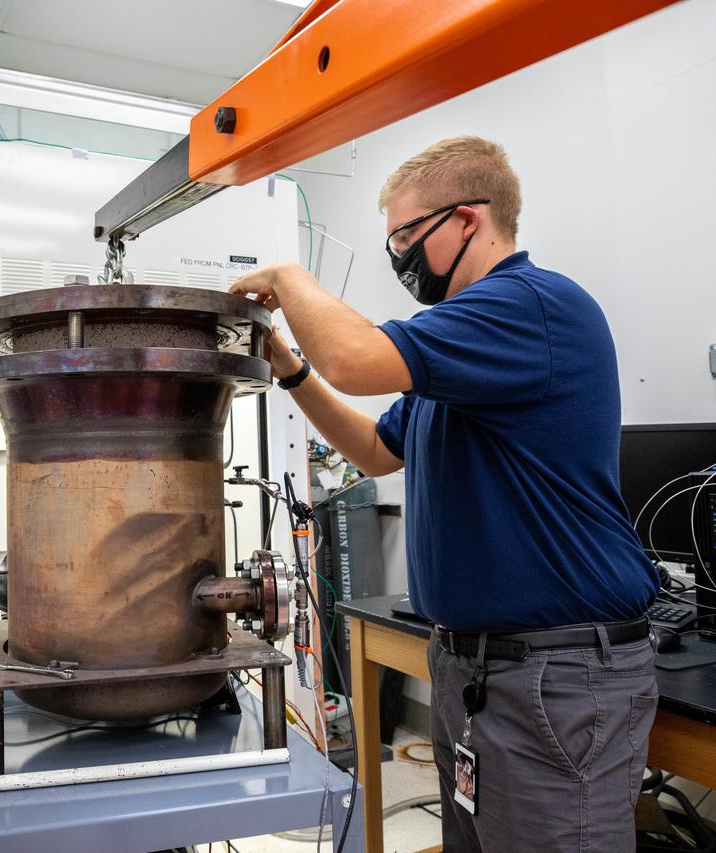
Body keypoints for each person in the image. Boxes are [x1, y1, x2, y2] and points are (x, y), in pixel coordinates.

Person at [231, 137, 659, 852]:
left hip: (554, 673)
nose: (397, 255)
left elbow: (356, 357)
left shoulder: (530, 305)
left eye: (405, 235)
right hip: (475, 668)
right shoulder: (457, 354)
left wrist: (286, 277)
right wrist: (289, 369)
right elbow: (374, 448)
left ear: (467, 220)